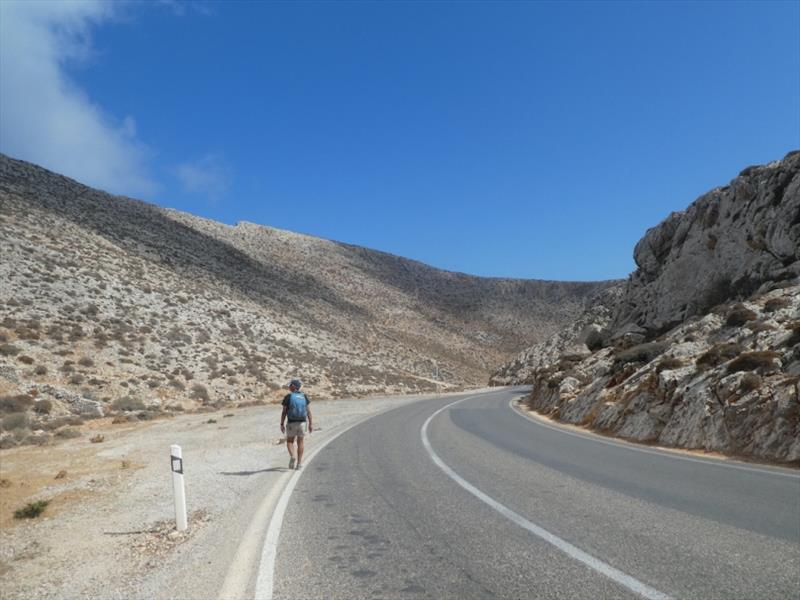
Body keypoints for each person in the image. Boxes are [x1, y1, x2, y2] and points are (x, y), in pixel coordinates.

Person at [280, 378, 312, 470]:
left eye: (290, 385)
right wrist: (310, 424)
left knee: (290, 441)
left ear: (293, 387)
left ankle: (292, 456)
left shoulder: (288, 397)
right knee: (300, 442)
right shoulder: (304, 396)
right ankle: (299, 464)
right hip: (302, 422)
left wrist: (282, 423)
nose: (289, 387)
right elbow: (309, 411)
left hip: (291, 422)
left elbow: (284, 412)